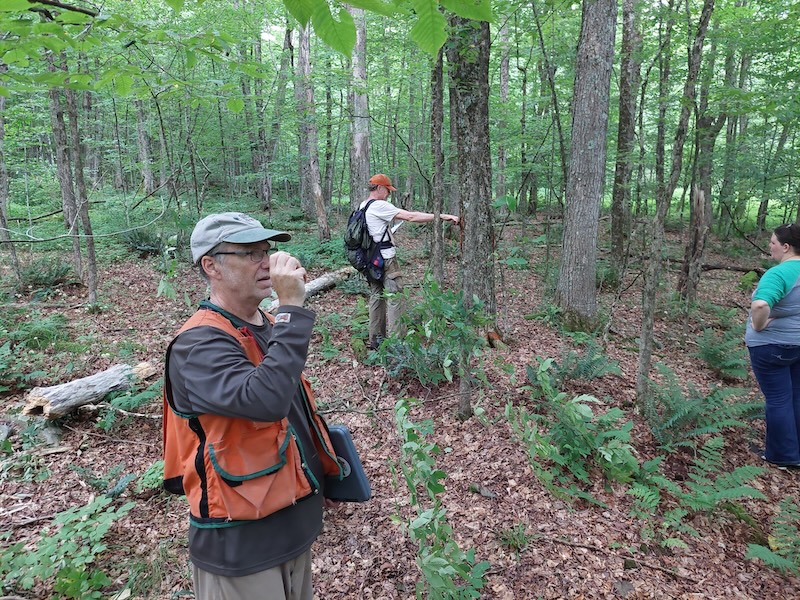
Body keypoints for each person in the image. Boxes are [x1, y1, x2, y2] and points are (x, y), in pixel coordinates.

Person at [162, 212, 343, 599]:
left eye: (266, 249)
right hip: (242, 545)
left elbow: (291, 420)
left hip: (293, 527)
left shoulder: (266, 323)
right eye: (249, 253)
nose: (267, 261)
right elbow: (265, 401)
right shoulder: (197, 344)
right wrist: (293, 307)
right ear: (211, 266)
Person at [360, 173, 460, 349]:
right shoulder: (380, 206)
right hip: (386, 260)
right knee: (395, 297)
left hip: (370, 261)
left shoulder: (363, 206)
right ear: (379, 188)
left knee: (377, 296)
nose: (389, 194)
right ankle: (398, 344)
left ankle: (376, 340)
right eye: (388, 191)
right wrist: (442, 216)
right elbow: (411, 217)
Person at [745, 223, 800, 469]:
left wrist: (758, 326)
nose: (771, 249)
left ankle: (782, 455)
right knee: (796, 397)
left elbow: (760, 305)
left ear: (786, 247)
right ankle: (794, 451)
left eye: (773, 244)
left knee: (778, 399)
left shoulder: (779, 274)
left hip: (771, 346)